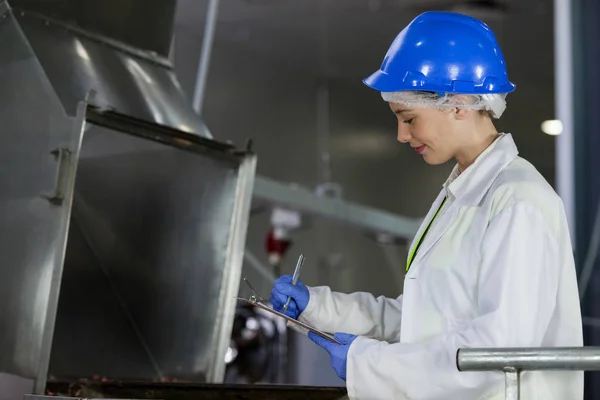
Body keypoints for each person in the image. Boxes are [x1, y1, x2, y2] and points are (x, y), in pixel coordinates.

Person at [269, 10, 584, 400]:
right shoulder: (461, 194)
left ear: (457, 104)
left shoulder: (519, 200)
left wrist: (369, 363)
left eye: (408, 118)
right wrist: (319, 308)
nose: (402, 135)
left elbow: (495, 352)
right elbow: (424, 321)